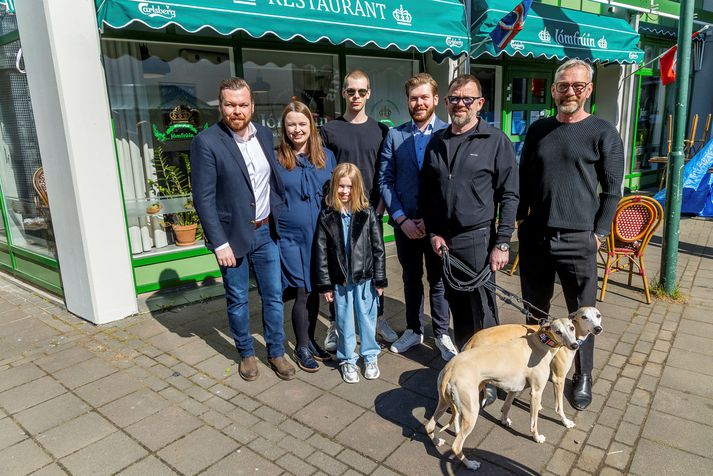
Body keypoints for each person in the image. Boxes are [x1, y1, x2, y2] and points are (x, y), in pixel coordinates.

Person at [517, 59, 624, 411]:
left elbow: (611, 191)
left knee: (584, 315)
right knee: (535, 310)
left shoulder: (603, 132)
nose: (570, 92)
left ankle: (583, 375)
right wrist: (518, 222)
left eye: (577, 86)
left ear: (588, 90)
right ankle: (536, 367)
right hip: (536, 237)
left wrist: (598, 234)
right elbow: (525, 182)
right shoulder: (538, 130)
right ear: (553, 89)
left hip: (579, 239)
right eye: (563, 85)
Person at [420, 74, 518, 405]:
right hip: (445, 244)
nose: (459, 104)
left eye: (466, 99)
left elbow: (511, 195)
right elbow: (428, 194)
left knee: (484, 314)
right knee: (459, 313)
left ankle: (493, 380)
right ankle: (469, 373)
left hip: (479, 240)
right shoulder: (436, 141)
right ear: (445, 102)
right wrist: (433, 232)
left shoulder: (495, 140)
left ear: (479, 103)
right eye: (454, 99)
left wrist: (502, 242)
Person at [190, 77, 295, 382]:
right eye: (230, 104)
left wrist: (278, 212)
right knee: (237, 298)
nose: (236, 110)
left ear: (252, 105)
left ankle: (276, 351)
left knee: (274, 295)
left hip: (265, 232)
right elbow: (203, 197)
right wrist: (218, 242)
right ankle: (246, 354)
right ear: (220, 105)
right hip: (231, 237)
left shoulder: (263, 133)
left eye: (242, 104)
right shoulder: (206, 142)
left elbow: (270, 180)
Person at [379, 73, 457, 361]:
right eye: (414, 98)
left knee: (438, 280)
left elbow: (453, 183)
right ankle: (413, 329)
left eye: (425, 97)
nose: (419, 102)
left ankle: (442, 333)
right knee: (411, 278)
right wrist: (401, 219)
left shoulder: (449, 134)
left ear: (436, 100)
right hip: (405, 225)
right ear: (407, 101)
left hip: (437, 226)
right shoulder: (395, 135)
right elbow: (385, 180)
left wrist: (432, 220)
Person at [319, 69, 397, 351]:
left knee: (375, 266)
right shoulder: (329, 131)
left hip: (370, 212)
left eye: (361, 91)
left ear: (369, 94)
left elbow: (386, 172)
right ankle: (336, 326)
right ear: (343, 93)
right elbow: (323, 171)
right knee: (339, 270)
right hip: (339, 213)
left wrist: (381, 205)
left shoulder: (381, 130)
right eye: (350, 91)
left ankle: (377, 319)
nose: (356, 96)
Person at [276, 101, 336, 372]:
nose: (297, 130)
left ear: (311, 126)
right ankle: (301, 346)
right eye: (291, 124)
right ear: (284, 128)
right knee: (302, 291)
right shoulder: (276, 159)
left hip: (321, 237)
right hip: (292, 238)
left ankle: (310, 340)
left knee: (315, 292)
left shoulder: (327, 157)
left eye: (302, 124)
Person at [314, 163, 388, 383]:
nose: (345, 191)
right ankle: (347, 359)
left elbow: (378, 248)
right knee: (344, 320)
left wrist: (380, 277)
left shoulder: (367, 213)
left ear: (357, 188)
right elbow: (321, 252)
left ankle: (370, 355)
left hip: (365, 278)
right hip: (340, 281)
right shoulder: (327, 215)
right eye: (340, 186)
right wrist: (325, 284)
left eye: (349, 186)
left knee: (367, 318)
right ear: (334, 187)